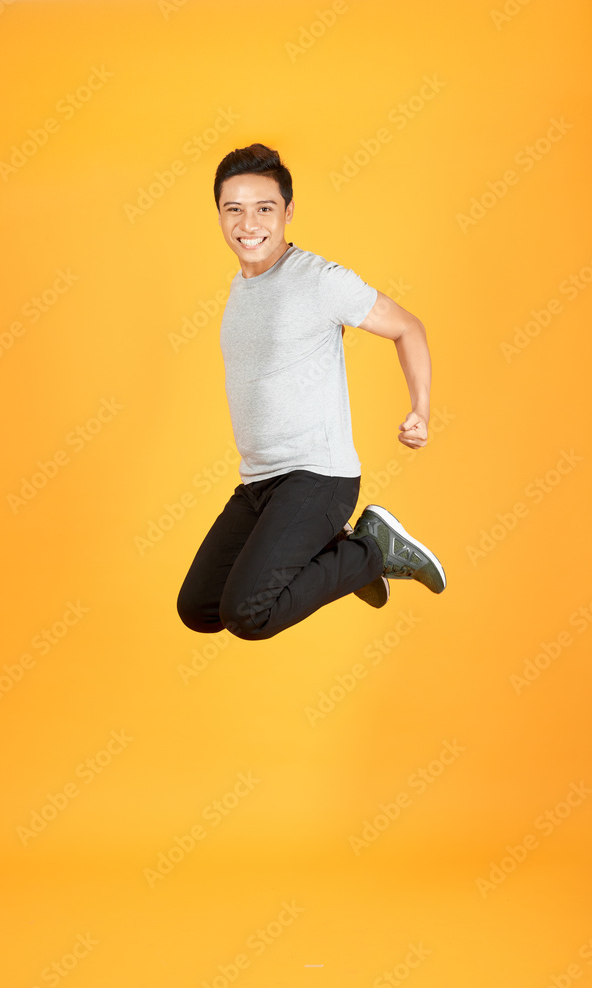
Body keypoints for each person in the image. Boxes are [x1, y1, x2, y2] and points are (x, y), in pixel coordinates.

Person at [176, 142, 446, 642]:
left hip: (317, 477)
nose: (248, 223)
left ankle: (371, 552)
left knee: (248, 615)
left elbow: (408, 327)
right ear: (218, 214)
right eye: (234, 209)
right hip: (260, 483)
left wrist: (421, 410)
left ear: (288, 212)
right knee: (198, 607)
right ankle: (342, 556)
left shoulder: (320, 280)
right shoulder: (240, 291)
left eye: (264, 208)